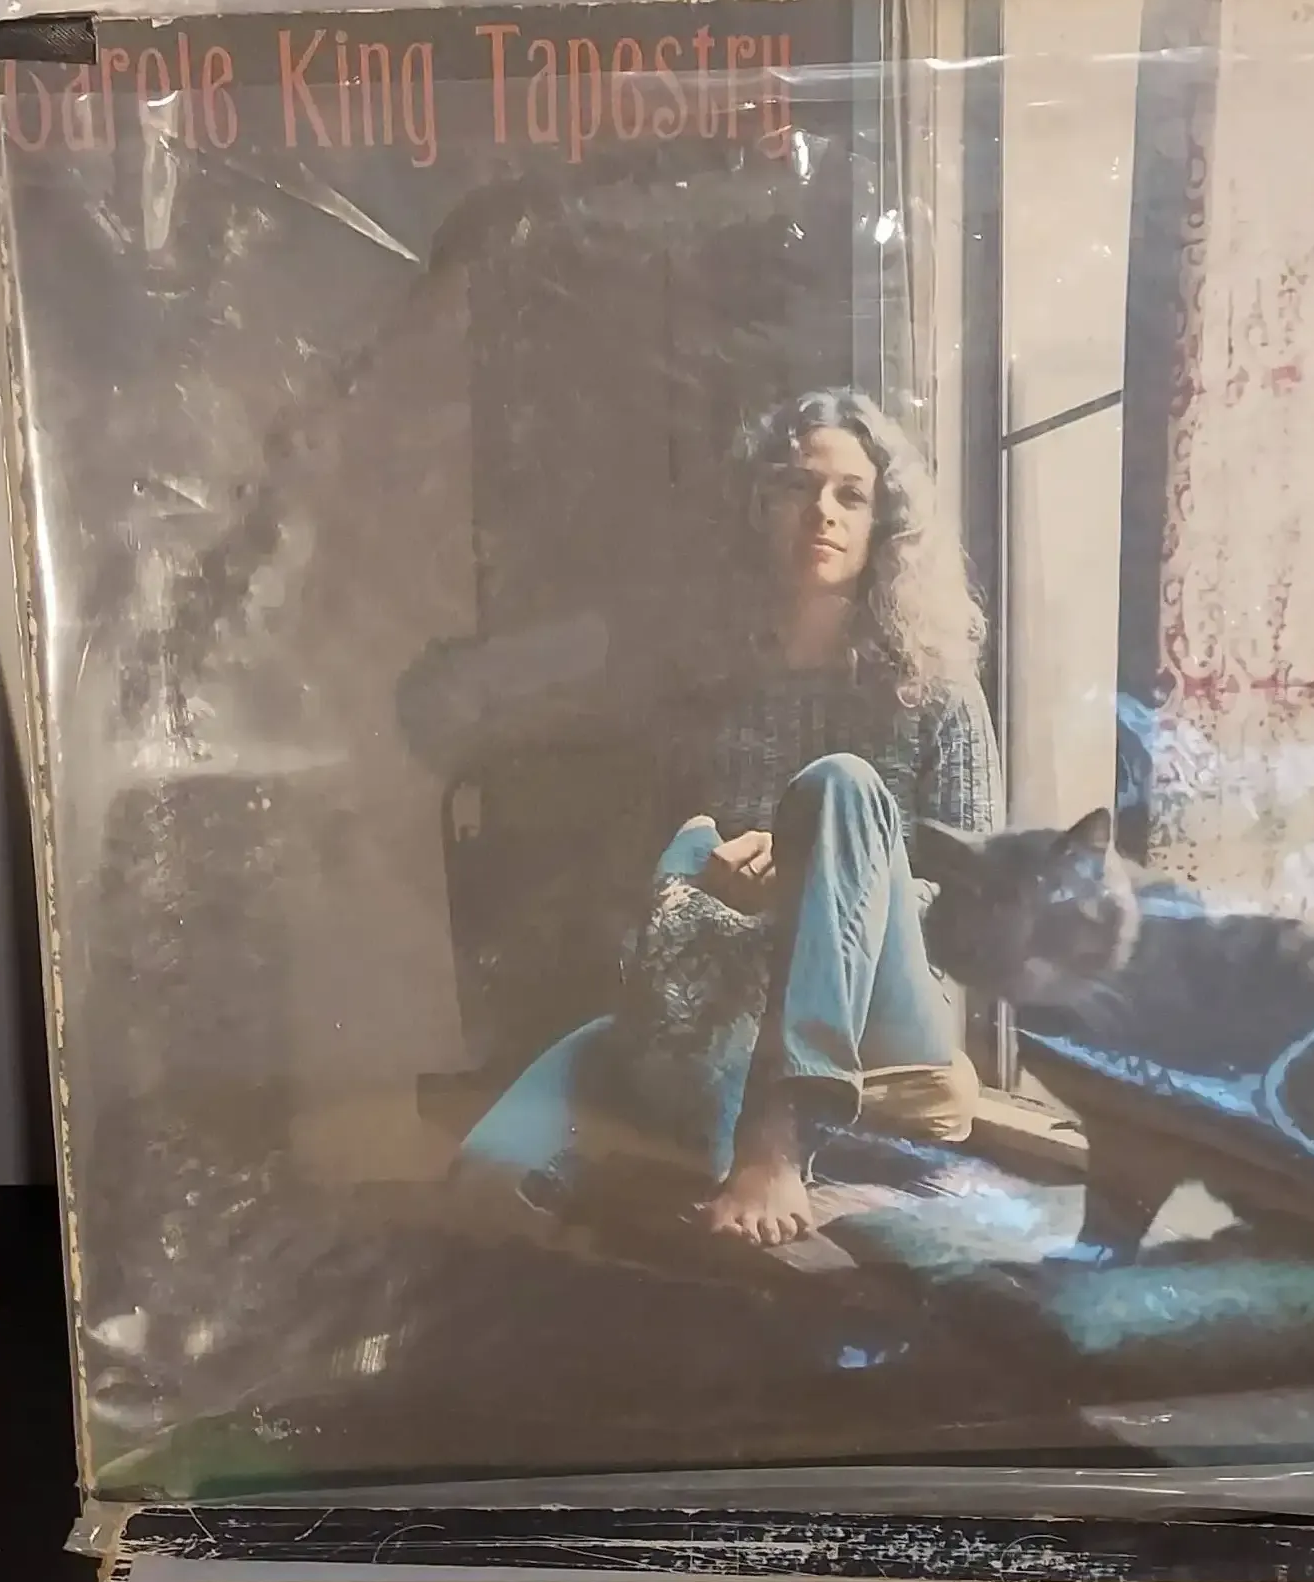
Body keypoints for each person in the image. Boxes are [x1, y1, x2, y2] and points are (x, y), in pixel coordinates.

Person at [404, 388, 1002, 1247]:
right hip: (728, 1008)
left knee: (837, 786)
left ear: (884, 526)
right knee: (481, 1179)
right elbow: (654, 896)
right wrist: (713, 886)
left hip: (888, 1033)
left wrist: (819, 886)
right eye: (795, 487)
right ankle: (668, 1135)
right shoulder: (709, 693)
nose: (822, 513)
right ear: (756, 509)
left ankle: (777, 1136)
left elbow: (973, 925)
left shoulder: (937, 694)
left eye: (851, 495)